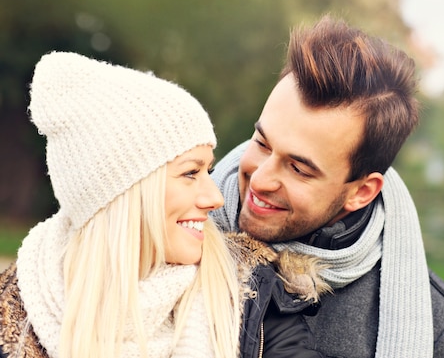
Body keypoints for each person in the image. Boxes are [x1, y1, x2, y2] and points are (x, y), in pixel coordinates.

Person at [0, 52, 330, 358]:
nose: (214, 198)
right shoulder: (15, 316)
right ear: (122, 193)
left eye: (208, 170)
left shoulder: (251, 293)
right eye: (190, 173)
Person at [211, 16, 444, 358]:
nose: (259, 178)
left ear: (361, 192)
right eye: (261, 143)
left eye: (298, 168)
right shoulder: (170, 231)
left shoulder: (435, 325)